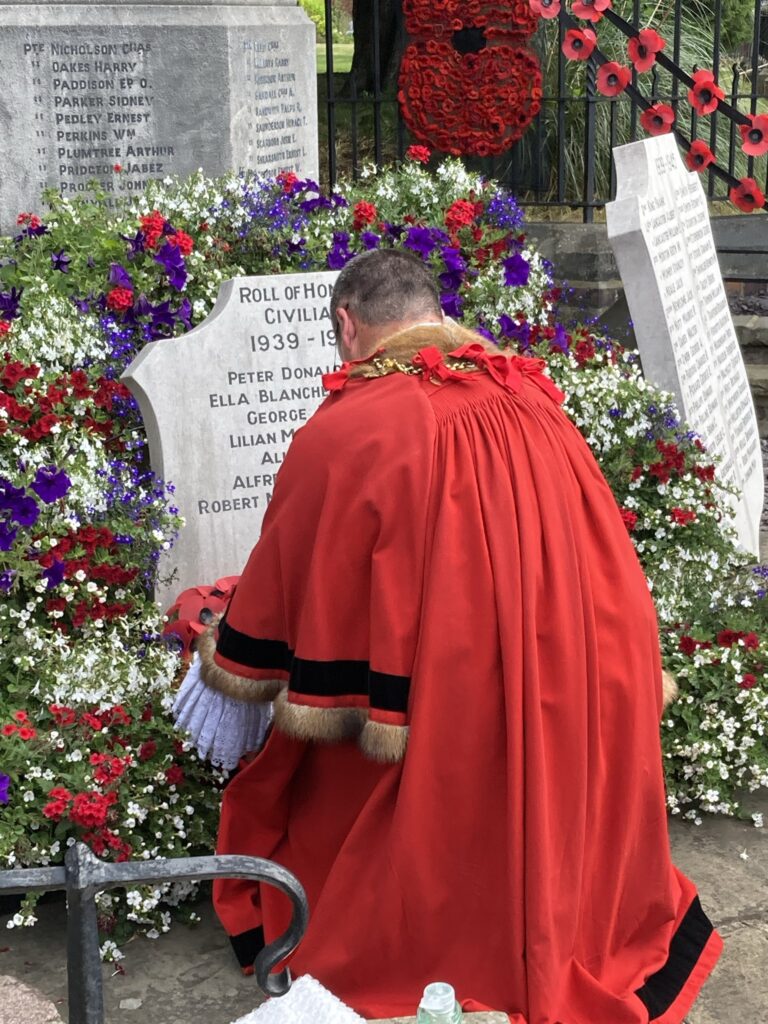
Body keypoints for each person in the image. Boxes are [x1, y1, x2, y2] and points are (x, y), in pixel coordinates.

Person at [204, 248, 721, 1023]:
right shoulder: (531, 393)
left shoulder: (351, 427)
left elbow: (294, 581)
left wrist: (223, 635)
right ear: (433, 312)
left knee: (340, 788)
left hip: (451, 691)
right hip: (567, 664)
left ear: (348, 326)